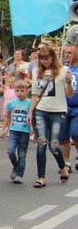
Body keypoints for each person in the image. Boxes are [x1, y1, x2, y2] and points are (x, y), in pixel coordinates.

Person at [28, 45, 74, 187]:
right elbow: (35, 94)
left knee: (54, 144)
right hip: (41, 110)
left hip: (58, 111)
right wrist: (30, 112)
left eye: (46, 58)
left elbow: (70, 94)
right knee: (41, 142)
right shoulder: (36, 72)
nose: (44, 61)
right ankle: (41, 177)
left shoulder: (63, 71)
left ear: (52, 57)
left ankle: (62, 167)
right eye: (41, 58)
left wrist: (68, 81)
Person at [0, 80, 31, 184]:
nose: (19, 93)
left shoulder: (30, 103)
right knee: (10, 151)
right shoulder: (11, 103)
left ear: (27, 91)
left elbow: (33, 118)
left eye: (22, 90)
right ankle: (16, 166)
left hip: (25, 131)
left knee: (22, 154)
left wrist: (33, 131)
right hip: (13, 131)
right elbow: (7, 117)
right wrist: (3, 130)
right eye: (17, 90)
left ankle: (19, 174)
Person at [58, 44, 78, 172]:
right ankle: (66, 162)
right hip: (62, 107)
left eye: (70, 52)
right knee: (63, 137)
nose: (66, 54)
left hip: (76, 108)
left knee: (76, 133)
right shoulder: (61, 69)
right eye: (65, 52)